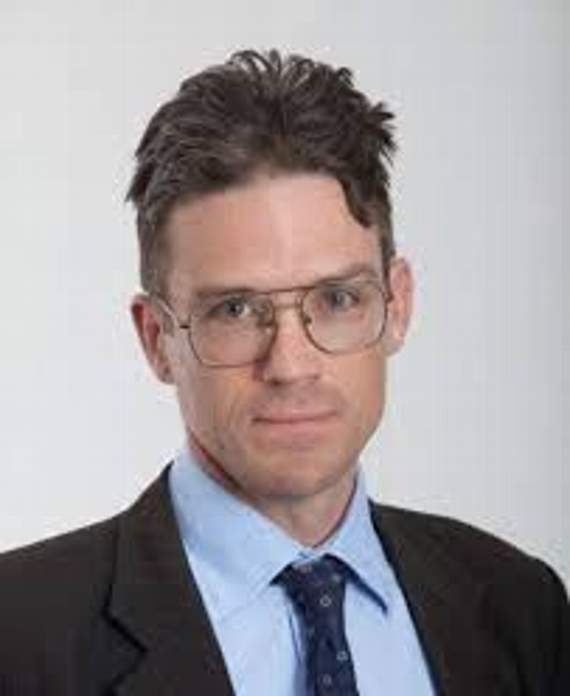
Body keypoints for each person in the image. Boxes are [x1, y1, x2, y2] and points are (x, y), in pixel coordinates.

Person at [0, 49, 568, 696]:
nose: (291, 366)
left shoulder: (522, 608)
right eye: (236, 310)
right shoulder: (18, 638)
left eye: (337, 299)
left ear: (398, 306)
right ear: (156, 339)